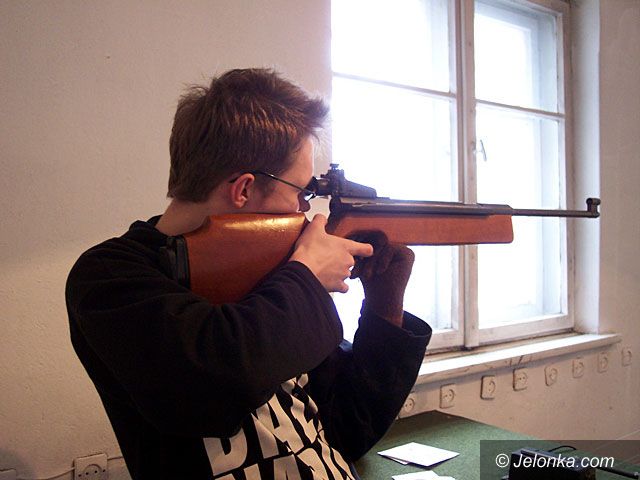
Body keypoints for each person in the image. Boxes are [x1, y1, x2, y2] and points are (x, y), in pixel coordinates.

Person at [66, 68, 431, 480]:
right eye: (301, 192)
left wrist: (385, 304)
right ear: (243, 188)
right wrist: (307, 277)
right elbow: (212, 383)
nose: (304, 210)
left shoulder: (277, 272)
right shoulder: (108, 277)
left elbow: (349, 430)